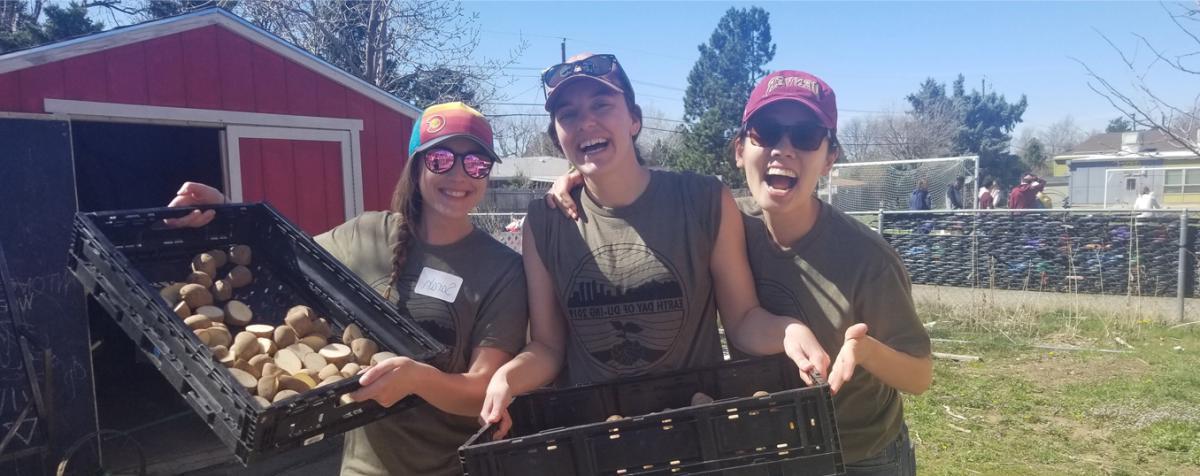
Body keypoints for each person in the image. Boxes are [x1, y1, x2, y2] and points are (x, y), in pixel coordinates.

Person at [539, 70, 933, 474]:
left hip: (857, 453)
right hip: (772, 443)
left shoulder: (867, 258)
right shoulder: (728, 224)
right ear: (740, 150)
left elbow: (920, 375)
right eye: (765, 132)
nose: (784, 149)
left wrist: (865, 351)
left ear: (830, 157)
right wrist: (584, 175)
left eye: (806, 135)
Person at [166, 102, 529, 476]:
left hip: (454, 468)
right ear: (417, 164)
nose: (458, 175)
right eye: (440, 159)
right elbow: (282, 260)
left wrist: (418, 380)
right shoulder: (365, 234)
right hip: (363, 469)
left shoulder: (503, 269)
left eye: (475, 164)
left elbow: (482, 391)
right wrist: (225, 212)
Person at [479, 53, 829, 435]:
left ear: (634, 119)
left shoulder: (704, 201)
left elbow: (743, 320)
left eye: (601, 105)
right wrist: (507, 378)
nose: (586, 123)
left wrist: (789, 332)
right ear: (557, 136)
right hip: (596, 439)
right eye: (568, 115)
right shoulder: (544, 222)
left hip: (697, 432)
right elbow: (547, 348)